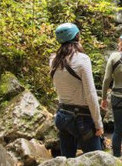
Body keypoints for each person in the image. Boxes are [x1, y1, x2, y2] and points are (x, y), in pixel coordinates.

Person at [50, 23, 103, 158]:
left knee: (67, 160)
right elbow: (90, 94)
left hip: (62, 116)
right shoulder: (82, 59)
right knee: (96, 159)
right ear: (77, 36)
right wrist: (98, 124)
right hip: (81, 119)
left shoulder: (53, 60)